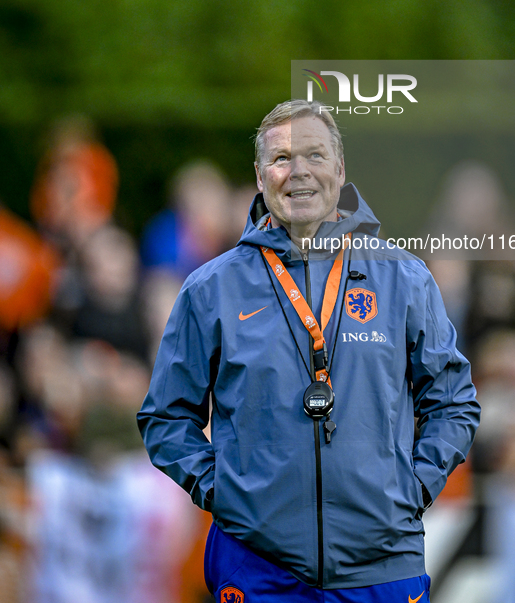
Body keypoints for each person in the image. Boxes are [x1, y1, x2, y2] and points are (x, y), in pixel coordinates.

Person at [138, 100, 480, 602]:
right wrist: (225, 494)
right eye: (281, 159)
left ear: (340, 170)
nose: (298, 172)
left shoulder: (403, 278)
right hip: (257, 564)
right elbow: (166, 417)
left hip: (381, 562)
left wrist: (410, 491)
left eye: (315, 156)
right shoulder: (210, 289)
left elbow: (453, 402)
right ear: (259, 176)